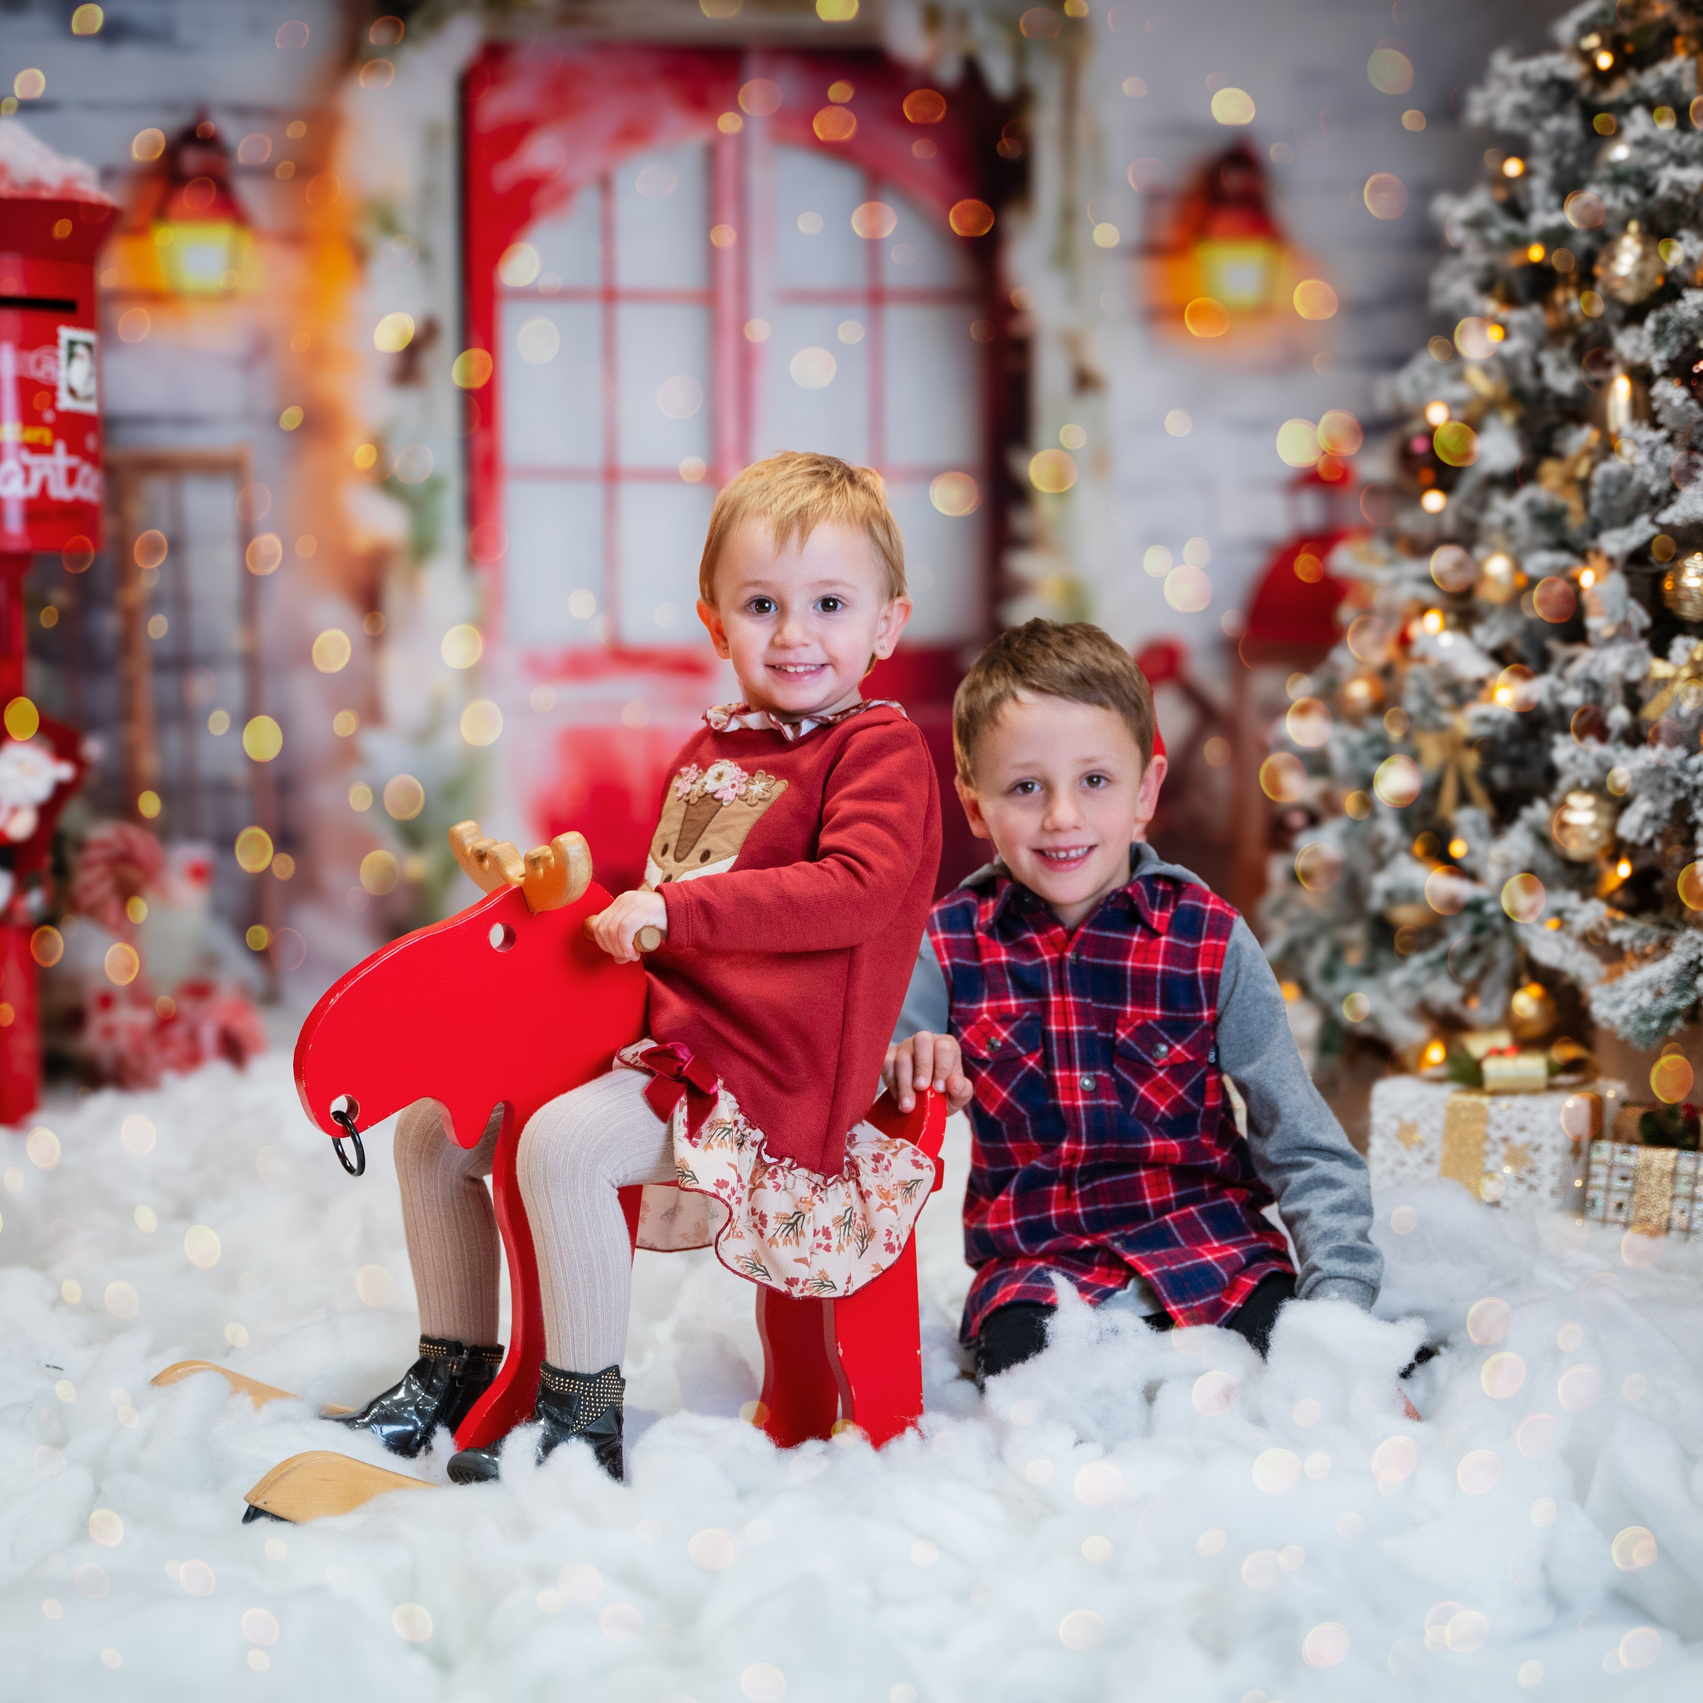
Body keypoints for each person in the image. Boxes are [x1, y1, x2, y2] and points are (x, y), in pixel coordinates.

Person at [336, 452, 942, 1479]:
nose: (794, 634)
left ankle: (581, 1414)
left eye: (829, 603)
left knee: (565, 1146)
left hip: (767, 1075)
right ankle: (458, 1359)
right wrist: (562, 903)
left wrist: (671, 913)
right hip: (659, 1043)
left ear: (886, 624)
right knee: (436, 1126)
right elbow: (658, 908)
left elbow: (854, 889)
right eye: (761, 603)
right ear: (713, 620)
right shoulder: (715, 749)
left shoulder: (876, 751)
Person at [884, 619, 1381, 1386]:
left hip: (1213, 1250)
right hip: (1037, 1264)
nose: (1061, 816)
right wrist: (909, 1065)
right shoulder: (945, 945)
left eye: (1094, 780)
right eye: (1024, 786)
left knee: (1290, 1377)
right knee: (1027, 1388)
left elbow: (1303, 1141)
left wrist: (1339, 1313)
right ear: (975, 805)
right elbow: (871, 1110)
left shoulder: (1209, 937)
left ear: (1145, 790)